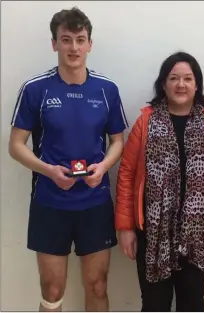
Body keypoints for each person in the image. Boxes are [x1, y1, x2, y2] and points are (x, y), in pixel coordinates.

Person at [8, 7, 128, 312]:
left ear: (90, 44)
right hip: (50, 203)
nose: (74, 47)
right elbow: (15, 145)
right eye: (66, 40)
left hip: (95, 203)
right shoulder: (35, 89)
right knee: (52, 289)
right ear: (54, 44)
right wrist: (48, 170)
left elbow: (117, 141)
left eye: (80, 39)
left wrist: (103, 167)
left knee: (98, 284)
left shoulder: (107, 89)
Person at [114, 51, 204, 311]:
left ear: (197, 84)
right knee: (154, 303)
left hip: (199, 233)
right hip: (153, 232)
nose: (180, 85)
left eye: (187, 78)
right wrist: (126, 227)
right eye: (173, 78)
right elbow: (126, 175)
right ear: (163, 84)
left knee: (192, 302)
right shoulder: (146, 122)